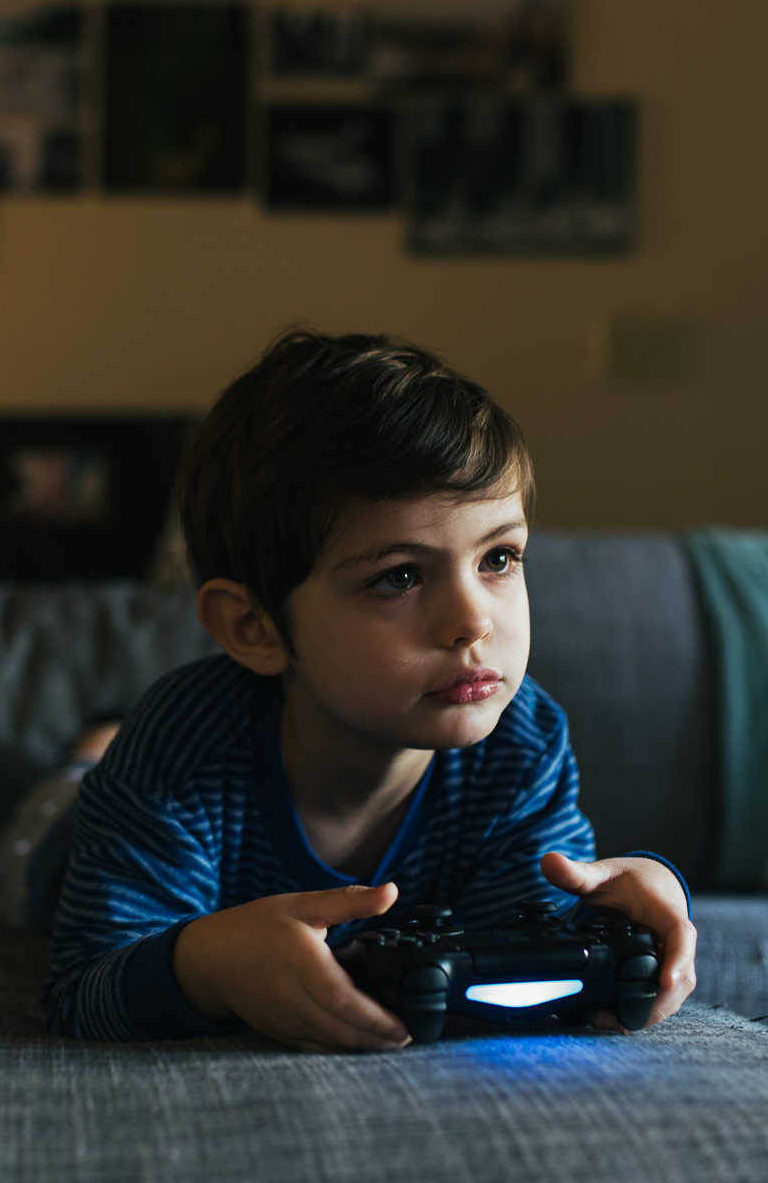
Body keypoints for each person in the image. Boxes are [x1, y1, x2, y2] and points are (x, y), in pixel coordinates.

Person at [35, 330, 697, 1051]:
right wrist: (209, 962)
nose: (473, 619)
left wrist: (628, 905)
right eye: (400, 576)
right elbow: (83, 991)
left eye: (499, 557)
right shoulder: (180, 748)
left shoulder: (521, 738)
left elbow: (523, 944)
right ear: (254, 627)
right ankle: (88, 756)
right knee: (55, 822)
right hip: (65, 842)